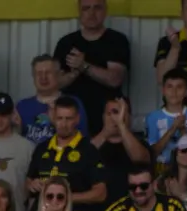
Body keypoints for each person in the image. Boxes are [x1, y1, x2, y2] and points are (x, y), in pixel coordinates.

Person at [53, 0, 130, 133]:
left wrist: (83, 65)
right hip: (72, 120)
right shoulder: (66, 43)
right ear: (79, 12)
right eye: (86, 8)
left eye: (97, 8)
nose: (91, 13)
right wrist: (75, 72)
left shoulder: (116, 40)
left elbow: (115, 79)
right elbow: (56, 83)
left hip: (108, 119)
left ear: (105, 10)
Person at [19, 55, 86, 145]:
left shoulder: (73, 103)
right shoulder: (22, 106)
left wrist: (57, 122)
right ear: (33, 77)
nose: (43, 77)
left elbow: (83, 140)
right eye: (39, 73)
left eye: (48, 73)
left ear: (59, 75)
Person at [146, 69, 187, 167]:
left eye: (179, 87)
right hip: (160, 167)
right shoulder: (152, 117)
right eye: (169, 86)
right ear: (163, 90)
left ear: (186, 91)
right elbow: (152, 153)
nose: (174, 91)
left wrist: (183, 129)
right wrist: (173, 128)